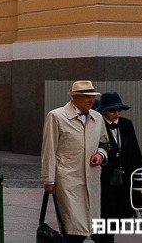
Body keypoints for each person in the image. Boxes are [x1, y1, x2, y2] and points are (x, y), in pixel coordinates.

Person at [41, 80, 109, 243]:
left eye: (92, 96)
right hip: (67, 179)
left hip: (91, 179)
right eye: (86, 96)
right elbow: (49, 149)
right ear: (75, 97)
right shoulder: (56, 116)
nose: (91, 100)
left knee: (89, 226)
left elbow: (104, 143)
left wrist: (100, 155)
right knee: (73, 226)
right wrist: (49, 180)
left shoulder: (97, 117)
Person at [94, 92, 142, 243]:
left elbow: (134, 152)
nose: (116, 114)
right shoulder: (96, 126)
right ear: (103, 111)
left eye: (119, 110)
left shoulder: (126, 125)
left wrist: (140, 178)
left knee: (119, 217)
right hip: (104, 182)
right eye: (112, 110)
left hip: (123, 181)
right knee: (106, 217)